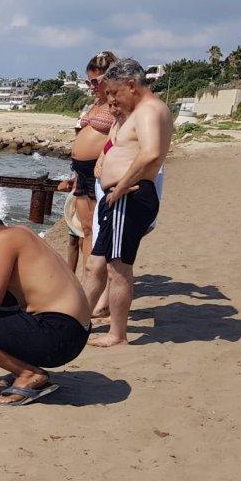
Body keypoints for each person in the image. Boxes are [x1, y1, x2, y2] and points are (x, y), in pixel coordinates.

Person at [0, 197, 92, 405]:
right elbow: (14, 289)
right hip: (73, 332)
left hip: (58, 335)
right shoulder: (19, 233)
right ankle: (25, 367)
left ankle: (28, 373)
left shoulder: (2, 241)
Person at [81, 58, 173, 347]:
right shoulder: (138, 111)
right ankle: (75, 322)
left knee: (117, 267)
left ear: (131, 86)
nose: (111, 99)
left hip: (129, 196)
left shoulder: (148, 110)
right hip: (119, 198)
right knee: (95, 264)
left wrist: (120, 186)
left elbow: (150, 153)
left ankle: (117, 334)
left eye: (114, 92)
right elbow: (122, 144)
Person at [58, 51, 118, 274]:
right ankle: (88, 278)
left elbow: (121, 136)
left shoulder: (116, 104)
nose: (91, 85)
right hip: (82, 173)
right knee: (85, 229)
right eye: (88, 81)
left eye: (95, 81)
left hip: (98, 171)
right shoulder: (96, 103)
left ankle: (93, 281)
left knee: (96, 229)